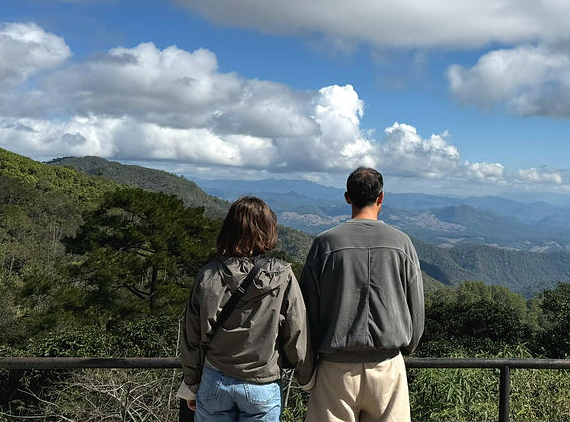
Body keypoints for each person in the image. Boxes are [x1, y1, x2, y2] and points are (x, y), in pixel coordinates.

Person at [299, 167, 425, 422]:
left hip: (335, 369)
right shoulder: (402, 243)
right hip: (387, 366)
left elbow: (306, 310)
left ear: (347, 197)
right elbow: (417, 308)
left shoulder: (325, 244)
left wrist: (309, 367)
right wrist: (407, 346)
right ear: (381, 198)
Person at [179, 196, 313, 422]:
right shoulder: (282, 276)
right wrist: (307, 378)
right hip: (262, 383)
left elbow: (191, 336)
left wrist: (191, 383)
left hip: (215, 380)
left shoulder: (208, 275)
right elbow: (296, 332)